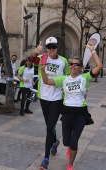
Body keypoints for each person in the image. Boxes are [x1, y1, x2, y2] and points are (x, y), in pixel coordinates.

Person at [40, 42, 102, 170]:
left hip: (80, 114)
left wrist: (92, 51)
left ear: (81, 67)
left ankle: (70, 164)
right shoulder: (64, 79)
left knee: (74, 142)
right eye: (72, 64)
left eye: (77, 64)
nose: (73, 66)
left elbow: (99, 66)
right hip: (67, 113)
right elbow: (46, 81)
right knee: (66, 142)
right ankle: (69, 148)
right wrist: (41, 69)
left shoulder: (85, 78)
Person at [30, 37, 70, 170]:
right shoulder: (43, 57)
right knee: (49, 125)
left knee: (49, 127)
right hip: (44, 97)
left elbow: (68, 79)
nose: (51, 50)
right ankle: (54, 141)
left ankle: (45, 159)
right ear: (46, 48)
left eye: (54, 47)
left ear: (58, 47)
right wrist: (35, 52)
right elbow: (31, 60)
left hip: (57, 98)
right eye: (49, 47)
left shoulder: (63, 61)